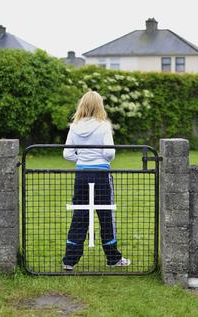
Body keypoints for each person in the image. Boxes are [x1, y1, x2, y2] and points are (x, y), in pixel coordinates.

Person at [62, 91, 131, 271]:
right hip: (100, 174)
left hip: (81, 175)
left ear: (82, 105)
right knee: (106, 215)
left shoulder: (74, 126)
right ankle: (113, 258)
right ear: (99, 106)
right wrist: (100, 157)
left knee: (79, 215)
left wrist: (82, 157)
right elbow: (109, 153)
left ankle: (69, 260)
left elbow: (67, 153)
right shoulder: (104, 126)